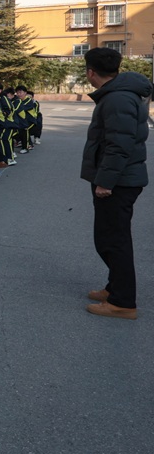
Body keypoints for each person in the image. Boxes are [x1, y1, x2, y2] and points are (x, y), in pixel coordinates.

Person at [80, 47, 151, 320]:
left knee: (113, 240)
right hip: (121, 178)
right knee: (110, 237)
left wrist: (105, 182)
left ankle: (123, 302)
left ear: (91, 73)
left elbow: (119, 145)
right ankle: (114, 288)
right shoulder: (118, 94)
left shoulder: (117, 99)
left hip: (118, 182)